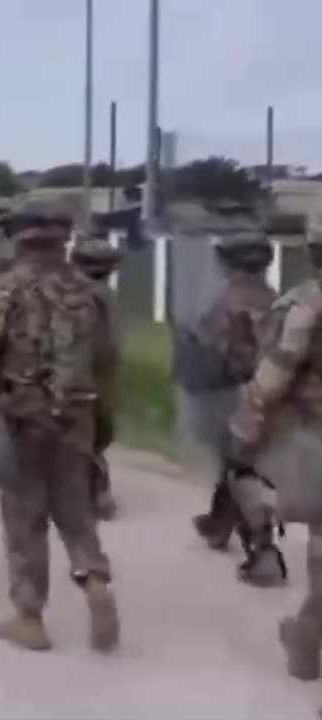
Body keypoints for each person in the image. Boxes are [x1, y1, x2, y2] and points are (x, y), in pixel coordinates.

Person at [0, 205, 119, 653]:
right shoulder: (93, 294)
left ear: (18, 240)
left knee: (25, 517)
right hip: (78, 415)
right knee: (75, 510)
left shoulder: (3, 292)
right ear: (64, 239)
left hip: (23, 418)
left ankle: (29, 616)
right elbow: (107, 363)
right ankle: (95, 581)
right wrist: (101, 421)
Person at [229, 221, 322, 687]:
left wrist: (247, 431)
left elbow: (275, 375)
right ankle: (305, 639)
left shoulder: (306, 303)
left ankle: (307, 642)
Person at [179, 229, 284, 586]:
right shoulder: (276, 299)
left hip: (238, 391)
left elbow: (207, 345)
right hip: (278, 394)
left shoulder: (225, 301)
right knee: (237, 461)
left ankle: (264, 551)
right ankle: (218, 523)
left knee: (241, 468)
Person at [70, 237, 125, 520]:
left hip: (79, 374)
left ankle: (88, 492)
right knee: (96, 435)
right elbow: (114, 344)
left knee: (79, 436)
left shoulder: (74, 294)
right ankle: (97, 492)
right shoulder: (105, 295)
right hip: (101, 376)